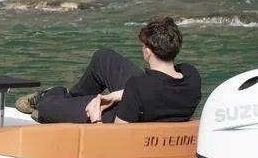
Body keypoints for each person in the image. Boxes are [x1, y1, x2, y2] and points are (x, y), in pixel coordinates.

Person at [15, 17, 201, 124]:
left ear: (147, 51)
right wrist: (114, 95)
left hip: (123, 119)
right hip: (144, 105)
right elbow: (158, 89)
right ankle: (72, 99)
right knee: (103, 58)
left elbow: (114, 139)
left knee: (48, 107)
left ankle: (50, 96)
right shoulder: (191, 76)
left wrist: (96, 119)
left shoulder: (138, 86)